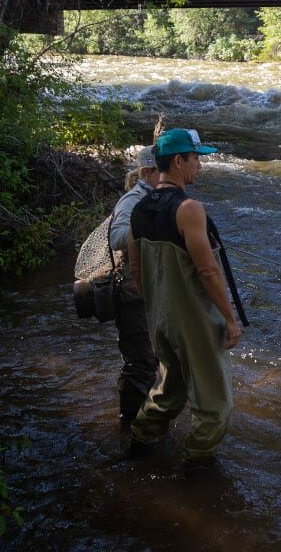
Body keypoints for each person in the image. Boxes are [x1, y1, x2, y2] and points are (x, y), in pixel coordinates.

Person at [126, 127, 242, 466]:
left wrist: (158, 311)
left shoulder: (138, 209)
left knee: (168, 391)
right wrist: (230, 319)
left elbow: (137, 270)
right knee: (215, 406)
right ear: (178, 161)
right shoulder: (190, 209)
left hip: (160, 320)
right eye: (196, 159)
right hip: (195, 323)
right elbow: (207, 271)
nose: (200, 168)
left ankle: (139, 445)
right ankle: (197, 465)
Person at [107, 145, 160, 429]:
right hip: (131, 294)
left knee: (151, 359)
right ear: (148, 172)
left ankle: (141, 420)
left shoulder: (156, 197)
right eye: (161, 171)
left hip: (147, 291)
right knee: (140, 364)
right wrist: (155, 226)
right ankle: (129, 426)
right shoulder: (133, 200)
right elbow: (116, 238)